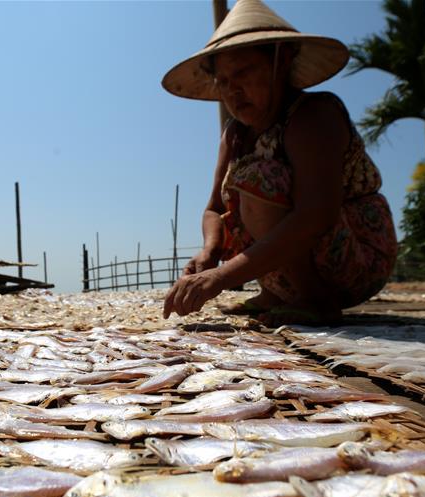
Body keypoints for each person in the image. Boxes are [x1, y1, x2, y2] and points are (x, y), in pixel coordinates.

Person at [161, 0, 397, 325]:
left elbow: (316, 215)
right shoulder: (235, 134)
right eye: (224, 81)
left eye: (243, 73)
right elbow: (213, 208)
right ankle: (276, 293)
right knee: (241, 193)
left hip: (353, 257)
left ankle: (315, 299)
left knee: (260, 179)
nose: (233, 91)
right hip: (293, 252)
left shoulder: (313, 115)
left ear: (281, 61)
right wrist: (209, 254)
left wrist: (220, 279)